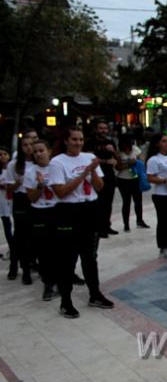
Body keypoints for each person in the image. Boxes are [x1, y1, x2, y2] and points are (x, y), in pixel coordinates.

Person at [49, 126, 114, 318]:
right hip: (69, 211)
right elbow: (60, 191)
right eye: (74, 139)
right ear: (66, 141)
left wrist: (92, 172)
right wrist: (84, 173)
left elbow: (100, 186)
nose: (78, 143)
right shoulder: (57, 162)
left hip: (90, 209)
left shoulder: (89, 157)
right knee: (68, 259)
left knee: (90, 256)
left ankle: (94, 294)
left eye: (81, 139)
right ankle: (65, 301)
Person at [24, 140, 59, 301]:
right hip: (39, 212)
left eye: (41, 150)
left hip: (57, 211)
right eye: (35, 151)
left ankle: (62, 280)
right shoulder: (31, 172)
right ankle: (48, 283)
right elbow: (31, 198)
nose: (38, 153)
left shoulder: (57, 167)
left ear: (49, 151)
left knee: (59, 248)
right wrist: (40, 186)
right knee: (43, 250)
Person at [6, 135, 35, 283]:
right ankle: (24, 270)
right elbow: (8, 186)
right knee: (21, 236)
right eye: (25, 145)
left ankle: (35, 264)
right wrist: (18, 182)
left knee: (35, 236)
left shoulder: (40, 162)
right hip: (21, 200)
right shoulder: (14, 164)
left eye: (31, 144)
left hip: (36, 200)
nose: (29, 147)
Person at [89, 121, 119, 238]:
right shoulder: (91, 142)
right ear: (96, 129)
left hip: (109, 175)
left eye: (105, 128)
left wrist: (113, 151)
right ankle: (99, 228)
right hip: (96, 174)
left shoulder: (110, 142)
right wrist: (106, 161)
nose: (103, 131)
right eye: (101, 128)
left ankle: (107, 225)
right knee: (99, 202)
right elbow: (90, 158)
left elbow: (117, 158)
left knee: (108, 202)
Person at [116, 134, 149, 231]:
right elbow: (118, 167)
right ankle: (126, 224)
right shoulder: (118, 152)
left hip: (135, 179)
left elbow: (142, 161)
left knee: (138, 201)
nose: (127, 147)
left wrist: (136, 162)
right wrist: (129, 164)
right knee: (126, 202)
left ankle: (140, 221)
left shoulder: (135, 149)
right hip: (123, 180)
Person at [0, 147, 12, 261]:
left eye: (5, 153)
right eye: (0, 154)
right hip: (2, 203)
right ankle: (11, 249)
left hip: (13, 202)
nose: (2, 156)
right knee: (7, 227)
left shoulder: (13, 169)